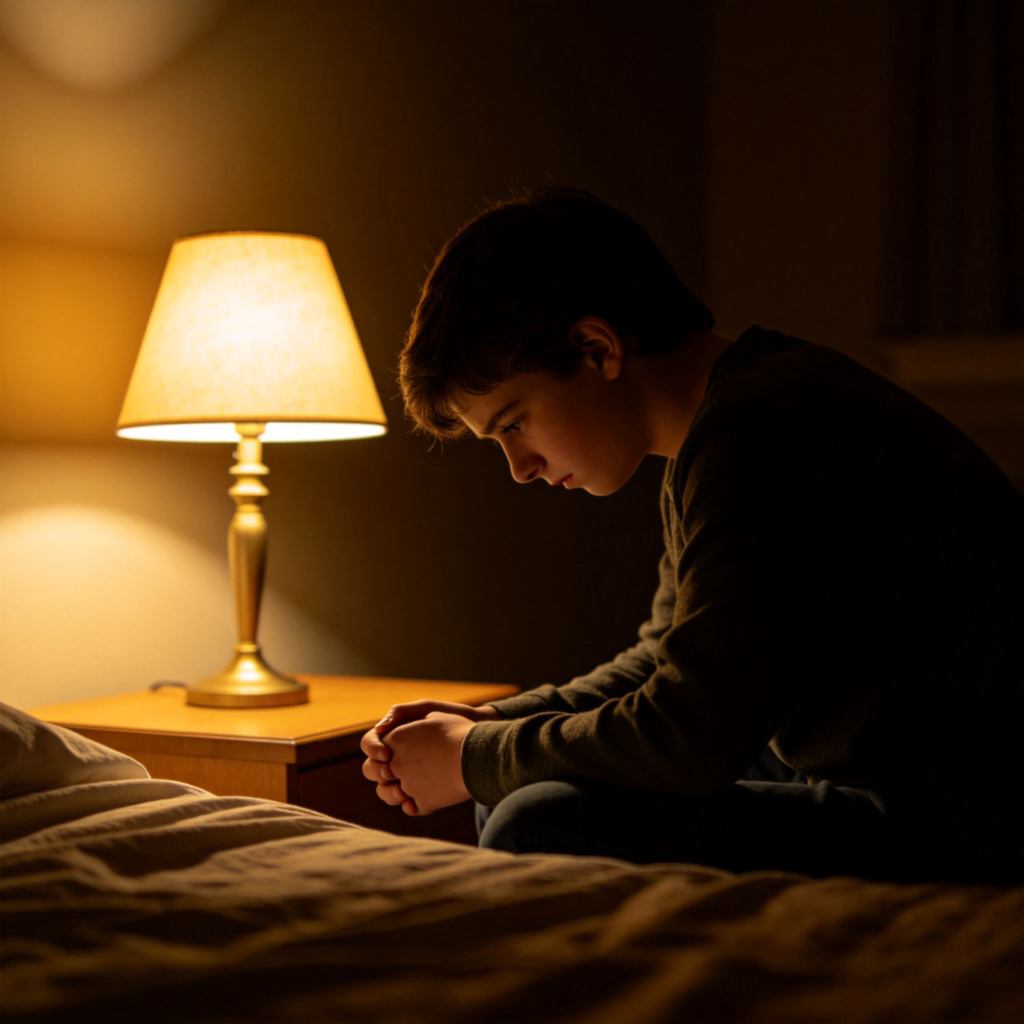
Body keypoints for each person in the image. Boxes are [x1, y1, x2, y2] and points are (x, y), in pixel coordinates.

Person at [360, 186, 1024, 883]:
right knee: (519, 795)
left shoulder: (766, 431)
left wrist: (474, 754)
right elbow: (662, 663)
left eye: (513, 422)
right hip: (872, 769)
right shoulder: (721, 430)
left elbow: (691, 732)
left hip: (964, 821)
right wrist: (489, 722)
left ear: (596, 348)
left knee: (540, 821)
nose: (519, 469)